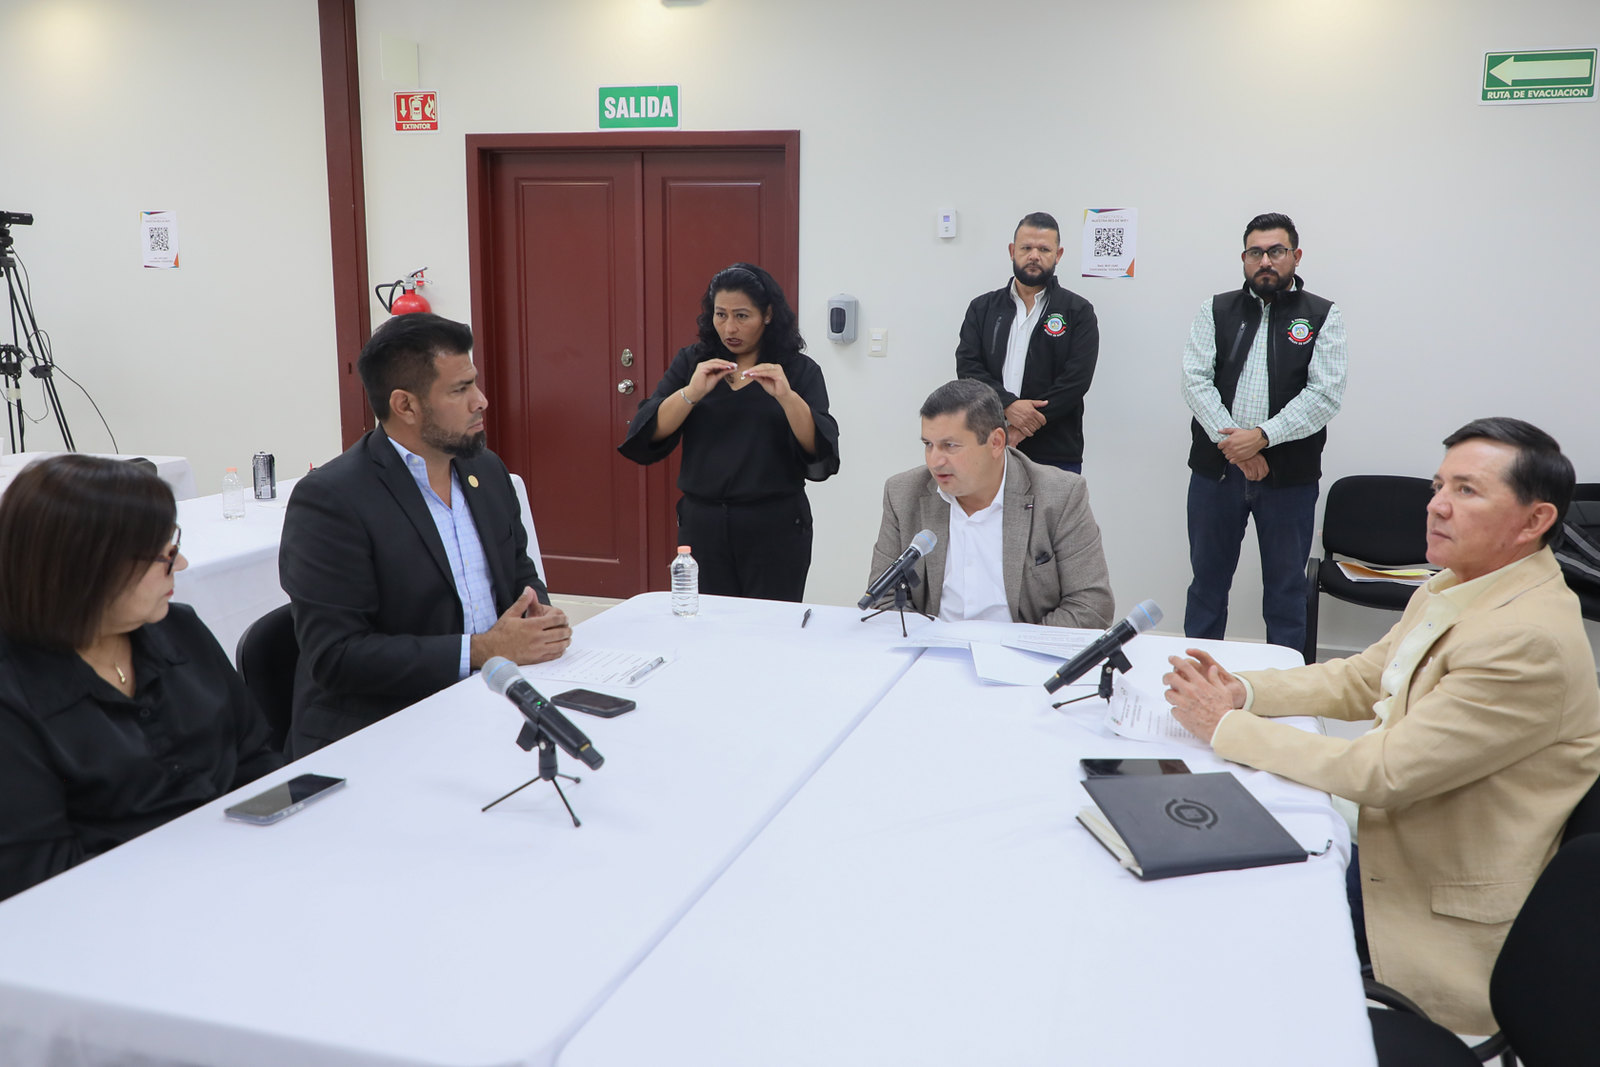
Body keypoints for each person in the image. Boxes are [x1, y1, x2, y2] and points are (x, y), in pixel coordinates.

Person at [1161, 418, 1600, 1036]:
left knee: (1212, 942)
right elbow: (1368, 676)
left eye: (1467, 491)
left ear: (1535, 521)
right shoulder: (1463, 581)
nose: (1437, 505)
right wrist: (1246, 691)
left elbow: (1383, 772)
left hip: (1423, 896)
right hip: (1387, 840)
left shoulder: (1525, 639)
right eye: (1438, 486)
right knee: (1193, 866)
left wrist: (1225, 726)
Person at [280, 312, 569, 757]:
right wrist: (482, 650)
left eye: (474, 383)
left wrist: (539, 616)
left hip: (488, 705)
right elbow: (336, 656)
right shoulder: (332, 499)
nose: (481, 400)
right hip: (382, 731)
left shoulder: (486, 471)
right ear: (406, 406)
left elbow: (519, 573)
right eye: (460, 389)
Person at [0, 455, 282, 902]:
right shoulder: (15, 692)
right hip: (118, 912)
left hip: (243, 875)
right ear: (91, 569)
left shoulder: (178, 629)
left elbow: (256, 759)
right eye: (163, 555)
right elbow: (40, 877)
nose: (181, 563)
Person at [619, 263, 839, 601]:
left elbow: (819, 449)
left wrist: (787, 397)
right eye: (720, 315)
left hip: (774, 527)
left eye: (742, 316)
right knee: (707, 624)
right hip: (702, 526)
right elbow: (647, 432)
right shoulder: (694, 362)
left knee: (767, 626)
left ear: (767, 315)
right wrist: (691, 392)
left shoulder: (797, 370)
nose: (729, 327)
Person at [1180, 212, 1347, 655]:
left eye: (1276, 251)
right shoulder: (1215, 310)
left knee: (1287, 592)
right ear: (1244, 258)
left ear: (1296, 255)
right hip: (1217, 474)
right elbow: (1195, 382)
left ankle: (1287, 686)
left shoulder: (1322, 315)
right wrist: (1237, 448)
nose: (1265, 261)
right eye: (1256, 252)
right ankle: (1196, 678)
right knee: (1207, 587)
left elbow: (1325, 395)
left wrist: (1262, 437)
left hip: (1288, 479)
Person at [868, 379, 1113, 627]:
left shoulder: (1060, 495)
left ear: (996, 442)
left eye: (950, 445)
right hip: (932, 646)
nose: (935, 461)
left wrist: (1012, 646)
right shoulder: (903, 493)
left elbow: (1091, 607)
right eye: (928, 445)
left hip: (1021, 649)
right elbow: (882, 600)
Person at [955, 211, 1099, 473]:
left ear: (1058, 255)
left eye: (1044, 249)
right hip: (987, 444)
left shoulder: (1078, 311)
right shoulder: (982, 308)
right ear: (1012, 251)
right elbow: (968, 368)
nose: (1034, 256)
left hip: (1055, 450)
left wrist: (1023, 426)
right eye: (1026, 248)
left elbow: (1076, 380)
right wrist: (1008, 405)